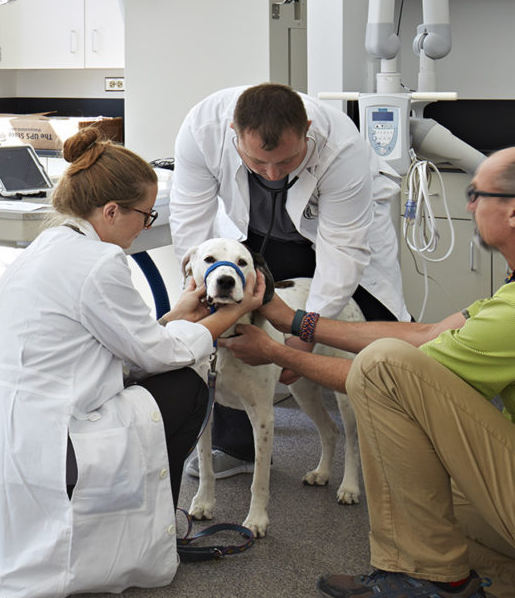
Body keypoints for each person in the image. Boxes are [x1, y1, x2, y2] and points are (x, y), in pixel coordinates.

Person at [218, 145, 515, 598]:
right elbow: (430, 331)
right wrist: (294, 321)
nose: (468, 207)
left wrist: (276, 354)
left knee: (385, 366)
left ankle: (422, 579)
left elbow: (385, 376)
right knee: (434, 510)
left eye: (476, 194)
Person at [0, 127, 264, 598]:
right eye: (145, 215)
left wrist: (176, 317)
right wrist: (231, 316)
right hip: (64, 443)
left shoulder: (48, 248)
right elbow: (155, 355)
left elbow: (117, 337)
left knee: (171, 368)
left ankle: (158, 518)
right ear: (112, 211)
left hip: (14, 439)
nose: (146, 225)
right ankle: (159, 528)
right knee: (187, 385)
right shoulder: (99, 262)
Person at [170, 82, 408, 477]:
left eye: (286, 161)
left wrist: (304, 336)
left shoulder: (342, 148)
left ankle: (401, 453)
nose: (273, 173)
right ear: (233, 133)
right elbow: (192, 228)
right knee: (236, 322)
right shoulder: (201, 129)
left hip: (334, 232)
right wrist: (200, 293)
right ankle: (238, 446)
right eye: (259, 163)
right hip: (256, 233)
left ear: (307, 130)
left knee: (381, 333)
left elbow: (342, 254)